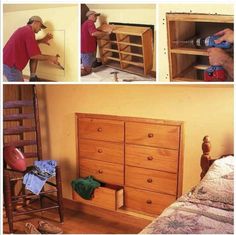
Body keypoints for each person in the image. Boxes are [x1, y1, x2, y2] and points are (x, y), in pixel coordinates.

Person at [3, 16, 60, 82]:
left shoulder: (25, 30)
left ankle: (33, 77)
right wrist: (51, 58)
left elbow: (30, 45)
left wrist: (42, 40)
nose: (40, 29)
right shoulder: (29, 32)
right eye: (40, 26)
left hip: (7, 62)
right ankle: (33, 77)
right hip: (11, 65)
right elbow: (34, 55)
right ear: (36, 22)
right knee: (20, 85)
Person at [81, 10, 112, 76]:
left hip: (87, 48)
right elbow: (93, 33)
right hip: (87, 49)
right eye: (95, 16)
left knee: (89, 66)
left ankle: (84, 68)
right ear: (90, 16)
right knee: (88, 71)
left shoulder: (86, 23)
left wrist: (100, 30)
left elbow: (93, 31)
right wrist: (106, 33)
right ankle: (77, 73)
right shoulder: (90, 23)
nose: (96, 18)